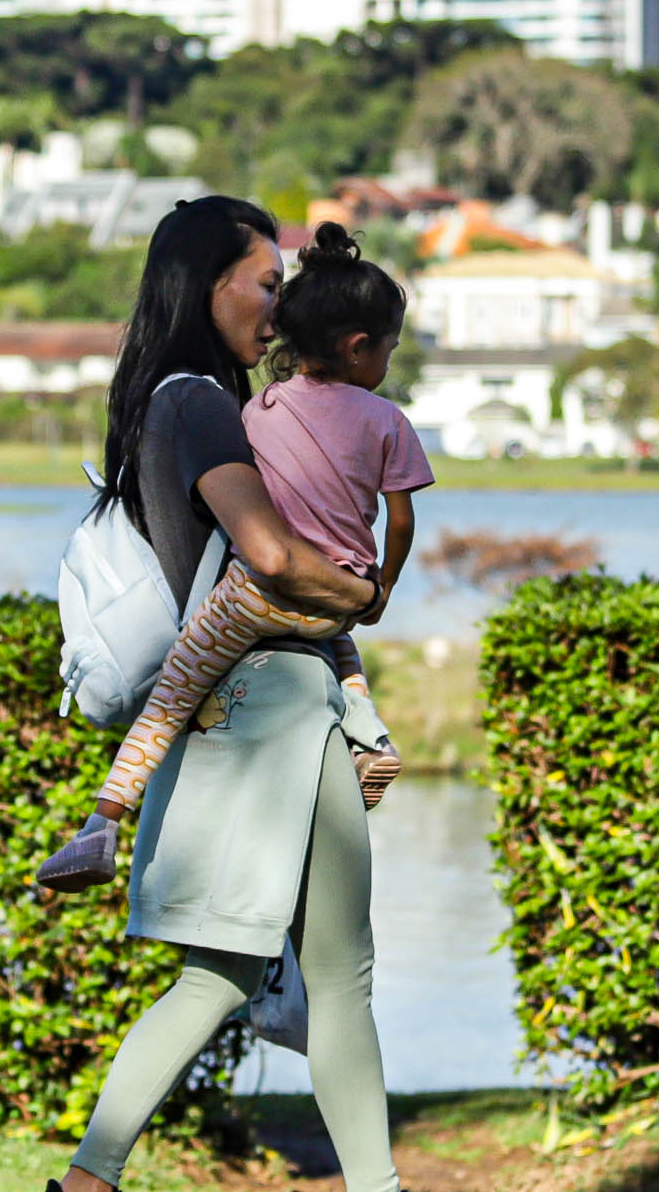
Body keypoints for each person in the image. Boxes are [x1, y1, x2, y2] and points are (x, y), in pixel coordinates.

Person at [15, 197, 496, 1192]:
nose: (279, 304)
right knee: (310, 967)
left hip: (257, 707)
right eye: (262, 281)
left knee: (251, 970)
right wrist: (360, 593)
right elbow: (275, 555)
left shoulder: (216, 401)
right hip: (275, 705)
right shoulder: (196, 403)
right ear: (205, 285)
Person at [32, 222, 423, 891]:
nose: (272, 309)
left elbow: (268, 551)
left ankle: (103, 821)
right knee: (342, 647)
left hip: (255, 604)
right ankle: (372, 739)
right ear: (362, 346)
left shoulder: (250, 410)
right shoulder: (387, 419)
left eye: (280, 290)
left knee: (174, 691)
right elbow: (402, 518)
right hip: (336, 600)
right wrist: (375, 588)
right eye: (265, 285)